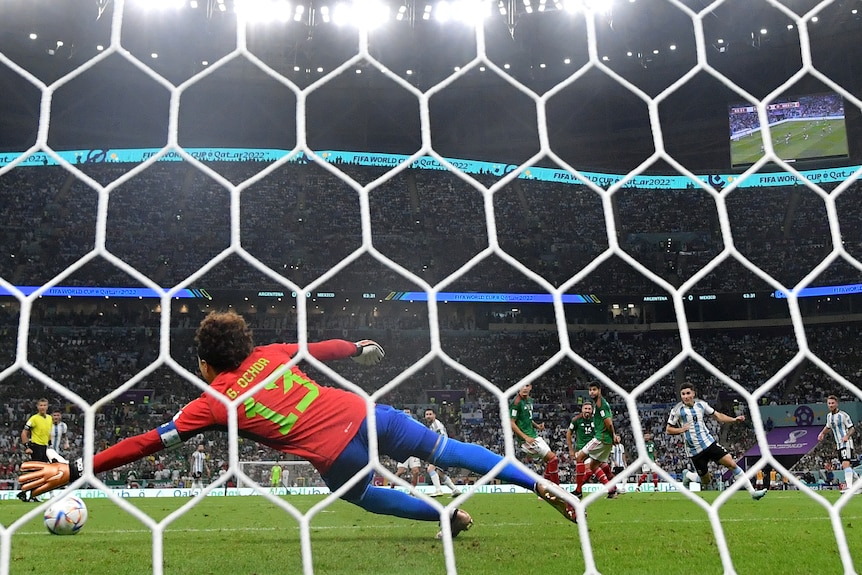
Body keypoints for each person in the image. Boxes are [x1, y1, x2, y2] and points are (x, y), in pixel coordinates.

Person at [18, 310, 578, 536]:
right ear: (247, 345)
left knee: (363, 498)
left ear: (208, 362)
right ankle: (537, 482)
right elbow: (323, 348)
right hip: (364, 412)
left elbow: (146, 443)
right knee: (448, 449)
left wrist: (77, 469)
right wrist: (359, 347)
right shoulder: (272, 354)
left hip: (337, 454)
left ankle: (442, 516)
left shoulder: (210, 403)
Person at [666, 383, 767, 500]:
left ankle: (753, 493)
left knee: (732, 464)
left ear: (693, 394)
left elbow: (718, 416)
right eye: (683, 394)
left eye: (688, 393)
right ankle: (688, 475)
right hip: (694, 451)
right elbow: (669, 430)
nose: (685, 396)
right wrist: (681, 429)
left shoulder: (701, 405)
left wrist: (734, 420)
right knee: (706, 481)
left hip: (709, 443)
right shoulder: (677, 410)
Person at [510, 383, 562, 487]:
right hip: (526, 441)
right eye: (522, 386)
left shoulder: (530, 401)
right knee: (553, 459)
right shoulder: (516, 402)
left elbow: (527, 418)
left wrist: (537, 426)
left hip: (534, 436)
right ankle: (557, 489)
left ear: (530, 387)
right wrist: (525, 437)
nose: (524, 388)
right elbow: (511, 423)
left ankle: (543, 489)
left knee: (550, 461)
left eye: (527, 385)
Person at [572, 382, 618, 499]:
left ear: (599, 390)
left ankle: (578, 491)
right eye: (590, 390)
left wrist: (613, 435)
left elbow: (608, 421)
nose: (592, 392)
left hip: (601, 438)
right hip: (606, 441)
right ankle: (612, 490)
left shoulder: (600, 404)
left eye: (594, 390)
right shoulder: (600, 403)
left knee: (579, 458)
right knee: (593, 467)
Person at [817, 394, 857, 493]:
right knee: (845, 465)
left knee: (845, 464)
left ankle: (850, 487)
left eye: (833, 403)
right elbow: (828, 426)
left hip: (846, 443)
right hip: (839, 444)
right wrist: (822, 433)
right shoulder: (829, 416)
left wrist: (847, 436)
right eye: (829, 403)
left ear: (837, 404)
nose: (831, 405)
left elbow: (852, 428)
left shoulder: (843, 415)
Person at [17, 398, 53, 502]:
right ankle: (32, 494)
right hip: (35, 446)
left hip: (44, 447)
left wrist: (50, 445)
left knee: (38, 472)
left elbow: (49, 433)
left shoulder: (49, 418)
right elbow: (24, 432)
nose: (42, 407)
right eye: (40, 405)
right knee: (38, 472)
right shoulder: (33, 418)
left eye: (44, 405)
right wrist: (27, 447)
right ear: (37, 407)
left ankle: (26, 493)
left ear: (47, 406)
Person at [424, 408, 462, 497]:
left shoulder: (436, 425)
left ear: (434, 415)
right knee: (440, 473)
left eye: (430, 414)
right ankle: (455, 489)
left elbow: (441, 437)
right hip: (444, 450)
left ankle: (438, 490)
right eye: (427, 414)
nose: (428, 416)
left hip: (441, 450)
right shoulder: (432, 425)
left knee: (430, 469)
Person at [390, 409, 421, 491]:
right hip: (403, 450)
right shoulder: (398, 425)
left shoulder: (415, 424)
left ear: (411, 414)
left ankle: (412, 491)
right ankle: (392, 487)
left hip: (414, 450)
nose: (407, 414)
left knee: (416, 471)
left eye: (408, 412)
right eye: (405, 412)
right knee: (400, 471)